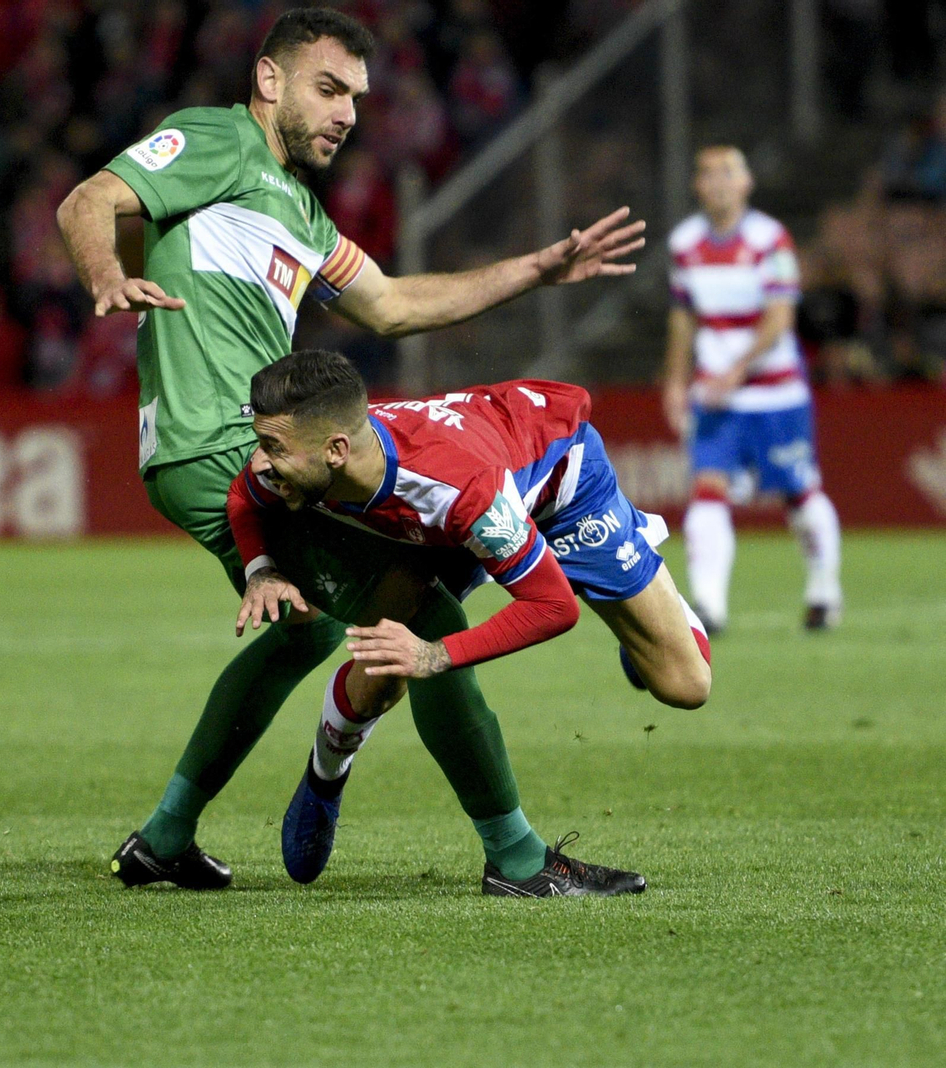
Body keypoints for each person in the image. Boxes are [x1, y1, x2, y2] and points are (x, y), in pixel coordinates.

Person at [55, 7, 646, 889]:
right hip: (226, 445)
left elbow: (394, 306)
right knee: (424, 618)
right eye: (328, 89)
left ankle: (166, 837)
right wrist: (106, 275)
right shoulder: (219, 142)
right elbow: (88, 200)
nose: (345, 114)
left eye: (357, 99)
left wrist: (535, 270)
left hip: (237, 446)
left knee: (307, 631)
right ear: (268, 79)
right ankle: (519, 859)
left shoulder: (298, 211)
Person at [226, 349, 712, 895]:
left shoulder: (457, 489)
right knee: (388, 661)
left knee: (686, 685)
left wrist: (436, 655)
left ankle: (645, 596)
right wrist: (261, 570)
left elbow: (554, 608)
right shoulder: (312, 460)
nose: (261, 461)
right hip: (461, 506)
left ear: (337, 451)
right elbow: (244, 496)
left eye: (274, 448)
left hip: (561, 486)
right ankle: (325, 772)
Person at [662, 145, 843, 633]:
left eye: (728, 172)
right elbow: (682, 317)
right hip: (716, 397)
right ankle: (709, 607)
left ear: (746, 183)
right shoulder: (684, 242)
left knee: (800, 491)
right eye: (708, 173)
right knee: (707, 489)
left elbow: (780, 316)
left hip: (775, 393)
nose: (718, 181)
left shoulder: (770, 239)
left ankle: (824, 591)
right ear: (697, 185)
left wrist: (737, 370)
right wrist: (675, 381)